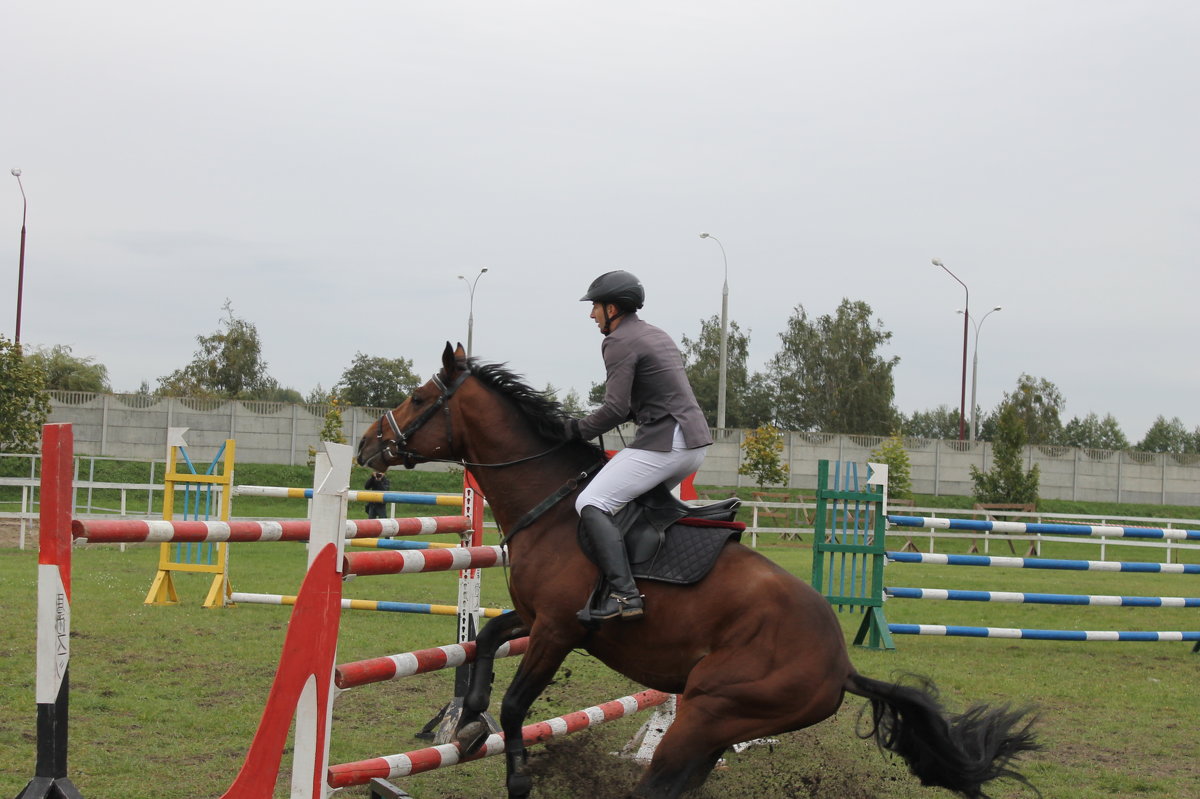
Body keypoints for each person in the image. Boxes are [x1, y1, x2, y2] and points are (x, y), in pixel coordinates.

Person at [563, 270, 713, 621]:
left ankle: (626, 595)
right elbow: (634, 405)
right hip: (693, 443)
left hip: (668, 441)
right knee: (630, 508)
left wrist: (575, 431)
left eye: (595, 307)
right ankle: (646, 582)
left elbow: (616, 408)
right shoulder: (655, 334)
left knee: (591, 501)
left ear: (612, 308)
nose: (591, 315)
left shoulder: (618, 342)